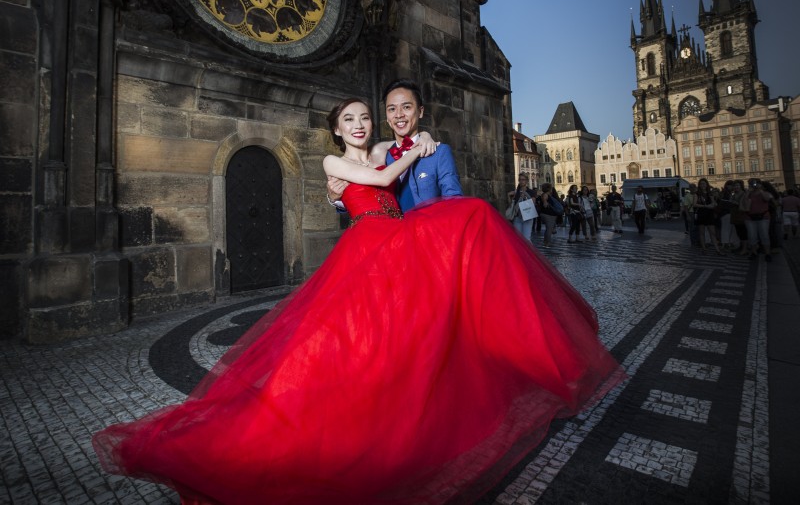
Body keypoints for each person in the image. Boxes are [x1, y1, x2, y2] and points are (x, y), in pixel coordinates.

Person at [92, 99, 624, 504]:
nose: (362, 124)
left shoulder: (382, 148)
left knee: (409, 339)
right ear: (335, 129)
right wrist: (406, 153)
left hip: (399, 247)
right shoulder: (333, 161)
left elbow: (403, 154)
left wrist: (423, 138)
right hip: (368, 249)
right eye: (351, 119)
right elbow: (379, 178)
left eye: (366, 117)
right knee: (345, 348)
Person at [327, 79, 462, 213]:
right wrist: (335, 199)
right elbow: (367, 200)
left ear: (420, 112)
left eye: (406, 107)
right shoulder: (384, 155)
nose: (399, 115)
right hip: (385, 231)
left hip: (430, 230)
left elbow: (454, 202)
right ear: (386, 116)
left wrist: (425, 135)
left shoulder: (439, 152)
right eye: (392, 109)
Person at [742, 178, 773, 262]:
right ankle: (754, 252)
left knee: (764, 235)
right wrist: (748, 191)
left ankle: (767, 253)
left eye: (755, 184)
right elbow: (744, 202)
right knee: (752, 236)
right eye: (751, 184)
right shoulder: (748, 193)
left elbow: (767, 199)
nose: (753, 185)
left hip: (763, 217)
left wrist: (760, 190)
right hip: (749, 218)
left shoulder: (764, 192)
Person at [694, 178, 721, 254]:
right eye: (701, 184)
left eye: (704, 184)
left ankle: (717, 249)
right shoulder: (697, 194)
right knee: (702, 233)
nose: (703, 185)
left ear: (707, 185)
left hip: (709, 214)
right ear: (699, 185)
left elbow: (713, 203)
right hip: (701, 214)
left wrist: (713, 204)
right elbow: (694, 204)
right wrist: (705, 206)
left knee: (712, 233)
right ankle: (704, 248)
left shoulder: (710, 193)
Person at [507, 173, 536, 241]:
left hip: (528, 217)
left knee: (526, 238)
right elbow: (511, 205)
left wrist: (526, 195)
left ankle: (528, 251)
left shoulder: (531, 192)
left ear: (526, 181)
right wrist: (509, 196)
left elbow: (533, 204)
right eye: (520, 180)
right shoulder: (516, 192)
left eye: (523, 179)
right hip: (517, 217)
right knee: (518, 239)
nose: (521, 181)